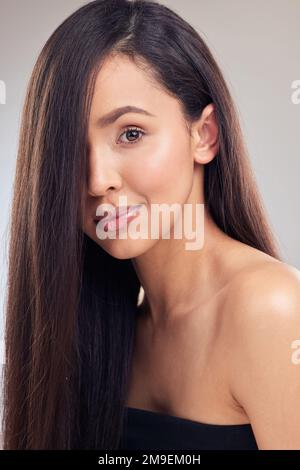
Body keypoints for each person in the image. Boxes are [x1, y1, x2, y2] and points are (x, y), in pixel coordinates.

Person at [3, 0, 300, 450]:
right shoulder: (100, 331)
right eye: (69, 151)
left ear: (204, 135)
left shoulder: (272, 311)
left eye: (130, 133)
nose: (98, 180)